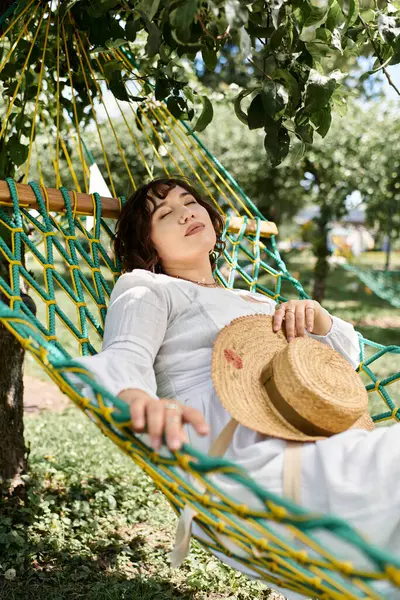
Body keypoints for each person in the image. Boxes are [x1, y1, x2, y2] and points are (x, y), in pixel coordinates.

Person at [73, 177, 400, 600]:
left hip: (309, 431)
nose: (186, 213)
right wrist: (135, 399)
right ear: (149, 245)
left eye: (189, 203)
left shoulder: (255, 300)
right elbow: (124, 355)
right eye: (165, 215)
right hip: (242, 462)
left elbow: (342, 362)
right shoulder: (146, 287)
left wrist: (320, 319)